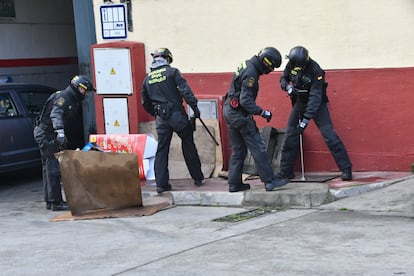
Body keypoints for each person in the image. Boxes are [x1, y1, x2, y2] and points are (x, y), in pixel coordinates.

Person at [277, 46, 352, 182]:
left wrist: (305, 120)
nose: (294, 65)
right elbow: (283, 78)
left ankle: (346, 169)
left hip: (317, 105)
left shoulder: (315, 70)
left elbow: (315, 97)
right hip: (299, 101)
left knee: (329, 135)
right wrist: (287, 87)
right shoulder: (292, 63)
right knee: (290, 134)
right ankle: (285, 171)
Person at [223, 47, 289, 193]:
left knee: (238, 150)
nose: (271, 70)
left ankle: (234, 184)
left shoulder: (247, 64)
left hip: (230, 110)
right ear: (266, 62)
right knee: (258, 147)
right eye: (272, 67)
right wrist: (262, 112)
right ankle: (270, 181)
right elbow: (245, 100)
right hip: (239, 114)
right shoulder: (252, 73)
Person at [141, 48, 204, 194]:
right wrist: (195, 108)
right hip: (177, 116)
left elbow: (145, 102)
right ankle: (197, 177)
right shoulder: (172, 72)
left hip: (161, 119)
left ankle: (161, 185)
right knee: (187, 142)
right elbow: (185, 91)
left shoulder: (147, 78)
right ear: (167, 59)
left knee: (162, 150)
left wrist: (155, 113)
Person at [33, 75, 96, 211]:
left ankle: (50, 201)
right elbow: (56, 114)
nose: (86, 95)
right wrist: (60, 132)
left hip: (46, 132)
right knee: (53, 168)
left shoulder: (69, 97)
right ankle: (56, 202)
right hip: (47, 134)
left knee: (48, 168)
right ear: (80, 88)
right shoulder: (64, 97)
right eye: (86, 91)